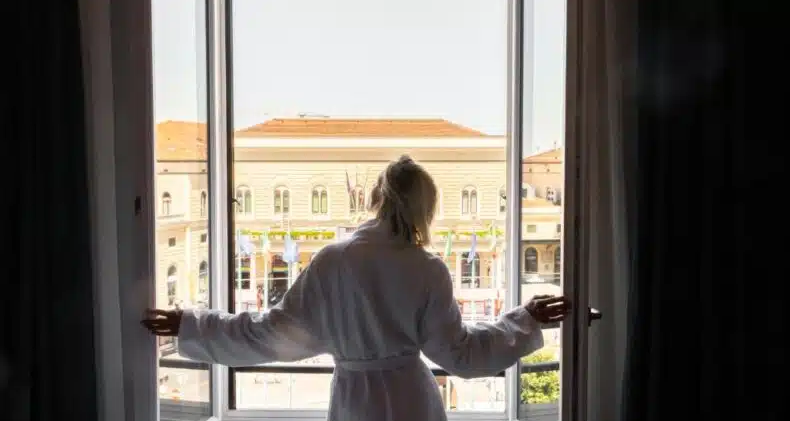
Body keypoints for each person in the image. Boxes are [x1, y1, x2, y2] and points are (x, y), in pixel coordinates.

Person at [142, 155, 571, 421]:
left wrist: (191, 325)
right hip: (413, 402)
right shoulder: (428, 268)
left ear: (376, 198)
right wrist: (525, 319)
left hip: (355, 403)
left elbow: (270, 334)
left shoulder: (333, 260)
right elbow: (459, 354)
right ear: (428, 207)